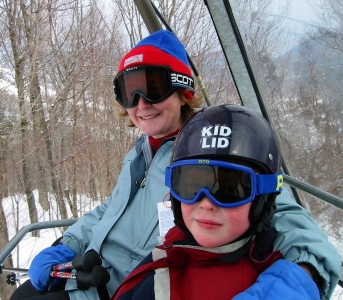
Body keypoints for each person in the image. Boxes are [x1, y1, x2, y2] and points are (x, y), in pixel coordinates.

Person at [10, 30, 339, 300]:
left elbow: (289, 221)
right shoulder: (141, 151)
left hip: (126, 289)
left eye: (154, 87)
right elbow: (109, 209)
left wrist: (295, 283)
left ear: (183, 91)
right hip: (84, 276)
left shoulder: (219, 152)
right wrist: (63, 247)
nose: (141, 104)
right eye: (130, 92)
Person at [110, 104, 319, 300]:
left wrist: (300, 277)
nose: (207, 203)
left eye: (229, 189)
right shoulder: (160, 271)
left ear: (263, 198)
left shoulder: (277, 260)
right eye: (191, 185)